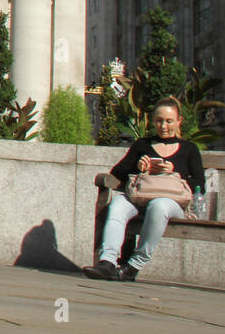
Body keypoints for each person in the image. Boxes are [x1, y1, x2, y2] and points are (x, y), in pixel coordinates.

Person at [83, 97, 205, 282]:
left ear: (179, 121)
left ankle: (134, 265)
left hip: (172, 203)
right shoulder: (143, 145)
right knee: (117, 205)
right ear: (152, 120)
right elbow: (117, 172)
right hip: (139, 197)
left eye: (169, 121)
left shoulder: (189, 149)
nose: (163, 126)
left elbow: (199, 184)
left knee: (159, 205)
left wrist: (175, 171)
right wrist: (138, 167)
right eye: (159, 120)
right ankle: (107, 262)